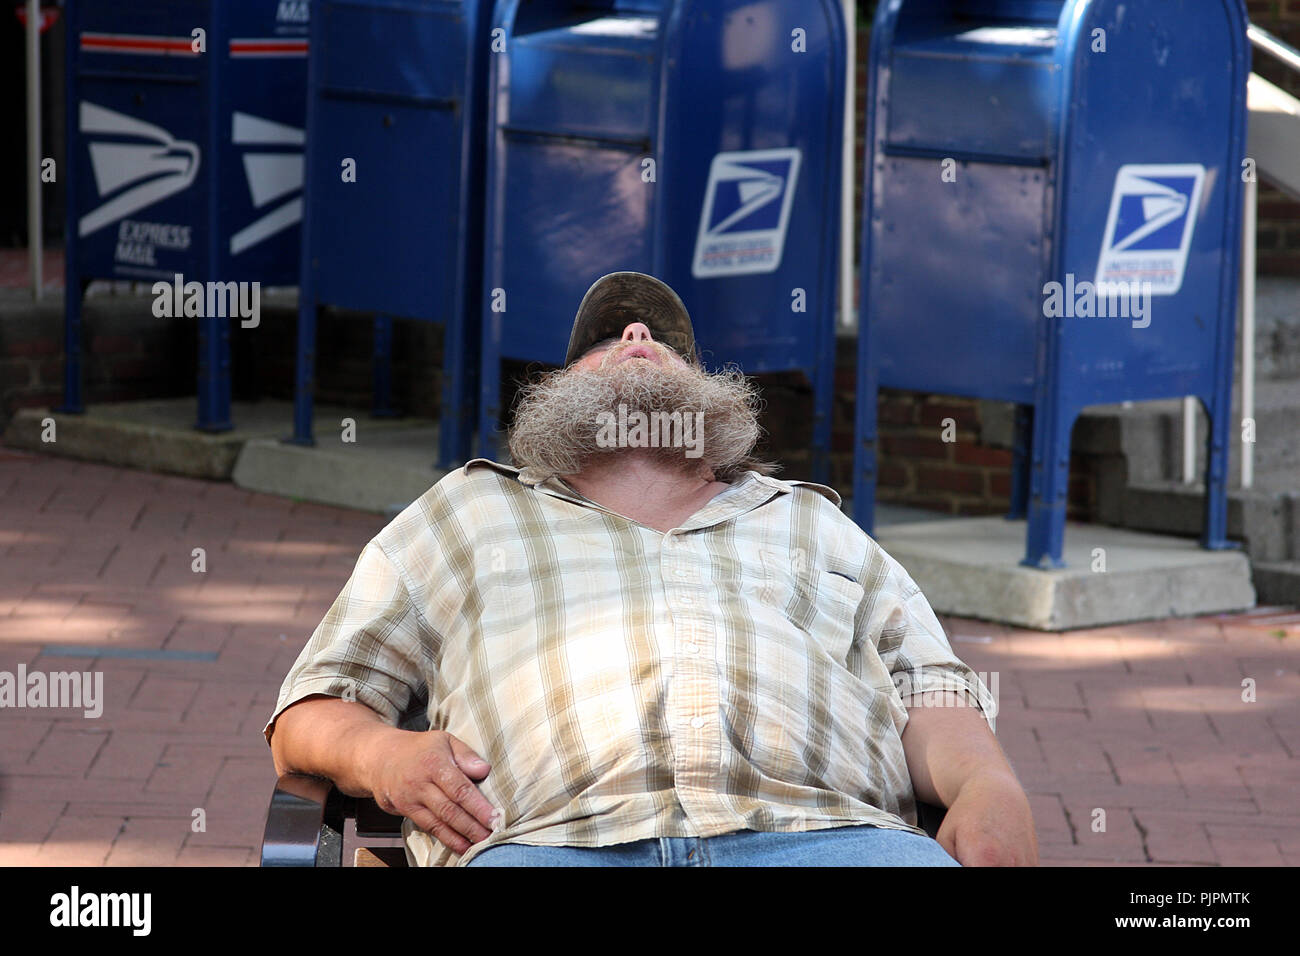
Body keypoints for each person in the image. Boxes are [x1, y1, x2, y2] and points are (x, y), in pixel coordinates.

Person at [264, 272, 1038, 867]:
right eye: (605, 343)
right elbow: (310, 712)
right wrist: (381, 753)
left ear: (710, 398)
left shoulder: (813, 523)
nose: (636, 330)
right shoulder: (465, 514)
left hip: (824, 838)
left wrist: (987, 785)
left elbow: (929, 691)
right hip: (548, 846)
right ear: (557, 395)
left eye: (660, 341)